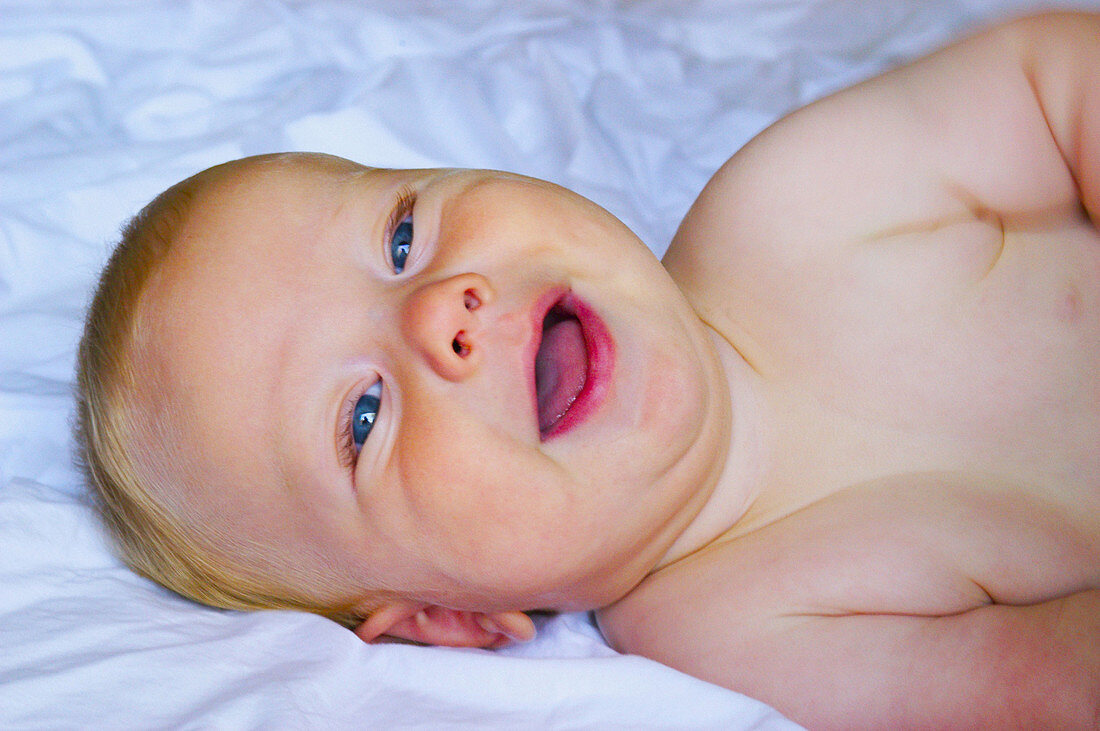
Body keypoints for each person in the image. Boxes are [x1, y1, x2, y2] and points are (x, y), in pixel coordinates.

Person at [75, 12, 1099, 727]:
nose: (438, 309)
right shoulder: (728, 631)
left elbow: (1056, 79)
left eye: (398, 238)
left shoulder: (790, 207)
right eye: (362, 417)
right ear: (450, 621)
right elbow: (1040, 683)